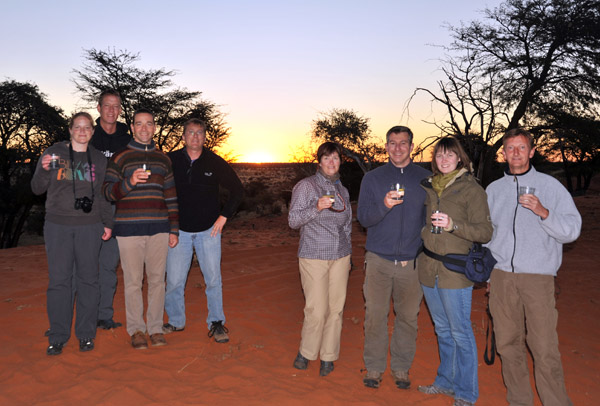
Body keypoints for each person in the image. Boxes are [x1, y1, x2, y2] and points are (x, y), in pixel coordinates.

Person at [486, 128, 581, 406]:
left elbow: (572, 230)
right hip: (502, 277)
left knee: (544, 348)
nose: (515, 153)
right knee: (507, 345)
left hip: (538, 278)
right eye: (510, 148)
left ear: (532, 151)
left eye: (521, 148)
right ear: (503, 152)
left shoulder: (551, 187)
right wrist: (489, 272)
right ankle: (520, 401)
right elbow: (488, 233)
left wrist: (544, 212)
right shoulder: (493, 190)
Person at [416, 137, 492, 406]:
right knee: (443, 330)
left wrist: (453, 225)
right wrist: (427, 231)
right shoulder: (430, 187)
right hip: (429, 269)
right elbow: (424, 223)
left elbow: (485, 232)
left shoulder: (472, 189)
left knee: (460, 332)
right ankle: (445, 382)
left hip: (456, 272)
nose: (444, 160)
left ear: (460, 158)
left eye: (449, 155)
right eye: (439, 156)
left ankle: (466, 393)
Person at [31, 112, 113, 355]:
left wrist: (108, 223)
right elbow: (37, 188)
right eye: (77, 127)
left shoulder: (98, 159)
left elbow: (101, 195)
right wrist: (45, 170)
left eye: (87, 127)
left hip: (90, 226)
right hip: (58, 226)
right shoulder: (53, 153)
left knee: (89, 280)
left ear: (92, 131)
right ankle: (58, 335)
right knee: (59, 281)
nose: (82, 131)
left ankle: (86, 334)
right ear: (70, 129)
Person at [357, 125, 431, 389]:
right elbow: (363, 218)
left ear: (412, 146)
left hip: (412, 262)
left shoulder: (426, 178)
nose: (397, 147)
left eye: (403, 143)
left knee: (408, 317)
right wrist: (384, 206)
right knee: (375, 316)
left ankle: (401, 368)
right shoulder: (373, 178)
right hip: (378, 260)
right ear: (385, 146)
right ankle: (374, 368)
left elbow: (429, 220)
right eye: (392, 143)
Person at [102, 108, 179, 350]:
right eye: (139, 124)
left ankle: (155, 329)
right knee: (133, 282)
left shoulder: (163, 159)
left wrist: (174, 229)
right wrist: (129, 182)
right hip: (128, 229)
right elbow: (107, 192)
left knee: (158, 281)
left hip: (159, 228)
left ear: (154, 127)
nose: (144, 128)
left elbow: (171, 196)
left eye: (149, 123)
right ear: (132, 128)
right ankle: (136, 330)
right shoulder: (120, 157)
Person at [163, 118, 243, 343]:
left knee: (213, 279)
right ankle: (176, 321)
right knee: (175, 281)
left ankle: (216, 322)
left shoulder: (214, 162)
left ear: (205, 137)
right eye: (190, 132)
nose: (195, 137)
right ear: (183, 136)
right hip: (179, 232)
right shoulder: (171, 160)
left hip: (209, 232)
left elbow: (238, 190)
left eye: (200, 133)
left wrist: (223, 217)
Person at [289, 142, 352, 377]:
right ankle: (306, 352)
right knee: (316, 308)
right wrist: (316, 207)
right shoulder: (306, 186)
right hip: (314, 255)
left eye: (335, 158)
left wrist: (349, 255)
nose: (331, 162)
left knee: (336, 309)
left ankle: (328, 356)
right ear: (319, 162)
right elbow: (293, 221)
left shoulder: (342, 190)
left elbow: (347, 225)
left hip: (340, 256)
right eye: (327, 158)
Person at [90, 89, 131, 330]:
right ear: (99, 108)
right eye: (107, 105)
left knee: (107, 265)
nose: (112, 111)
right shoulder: (87, 134)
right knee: (83, 265)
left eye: (116, 106)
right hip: (88, 209)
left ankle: (104, 315)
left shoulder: (127, 139)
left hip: (116, 208)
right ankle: (84, 314)